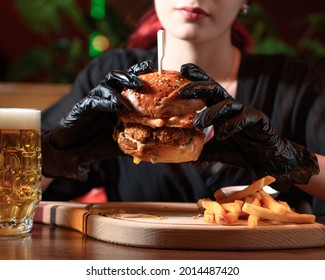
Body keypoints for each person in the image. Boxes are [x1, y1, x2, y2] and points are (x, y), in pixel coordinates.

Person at [41, 0, 325, 213]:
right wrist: (56, 153)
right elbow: (15, 198)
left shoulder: (293, 84)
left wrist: (287, 158)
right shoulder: (111, 78)